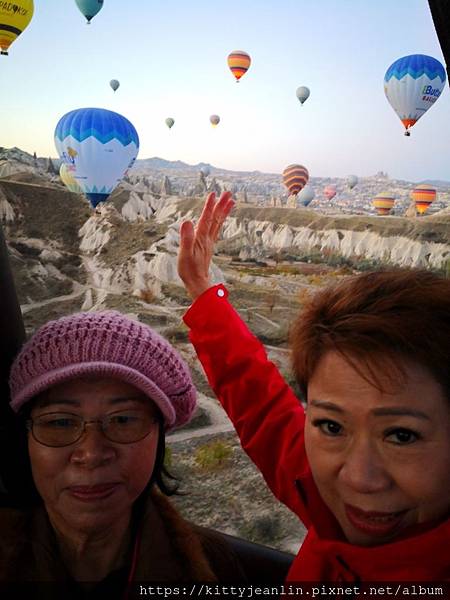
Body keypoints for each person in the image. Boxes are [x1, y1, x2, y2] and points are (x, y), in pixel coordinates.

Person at [177, 191, 450, 582]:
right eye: (331, 425)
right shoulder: (325, 501)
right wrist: (203, 292)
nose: (359, 478)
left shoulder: (336, 500)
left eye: (401, 435)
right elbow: (263, 407)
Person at [0, 310, 248, 594]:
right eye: (60, 422)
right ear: (26, 437)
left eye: (123, 420)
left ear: (159, 437)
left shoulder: (213, 568)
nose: (91, 454)